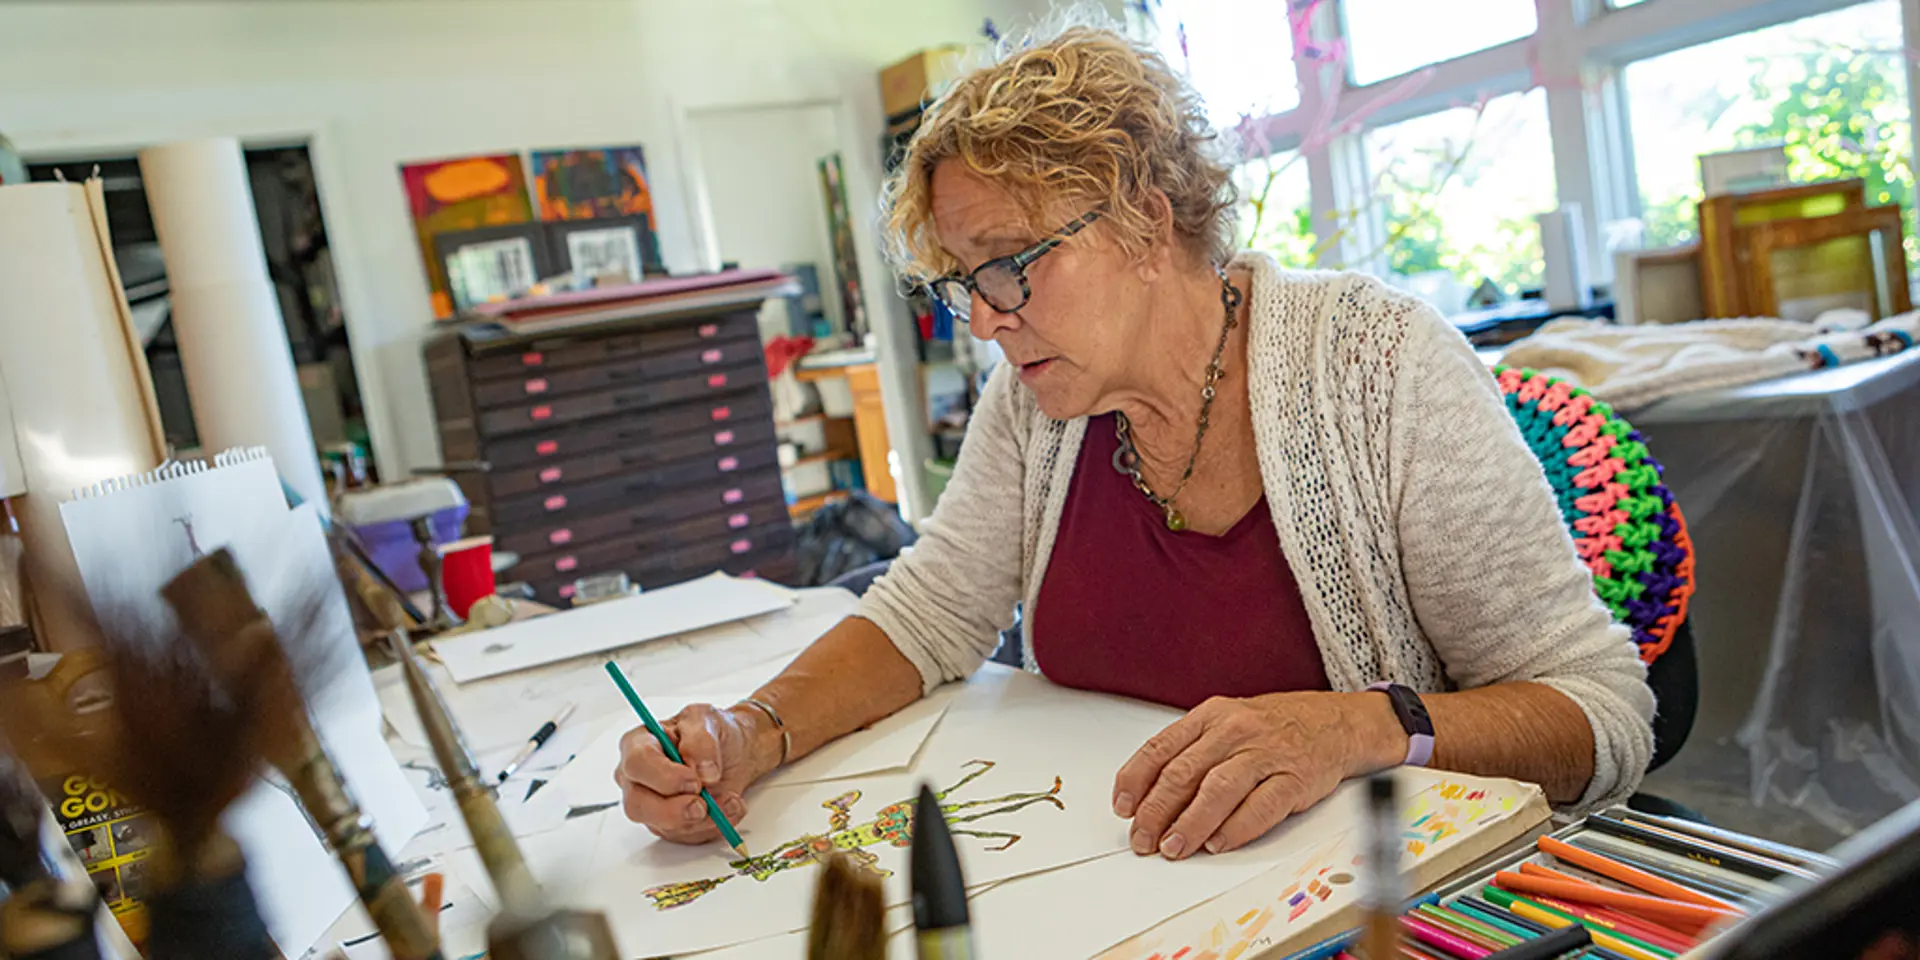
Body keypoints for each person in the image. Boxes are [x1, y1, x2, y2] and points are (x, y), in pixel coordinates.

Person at [615, 20, 1654, 862]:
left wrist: (1358, 726)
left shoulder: (1377, 367)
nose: (982, 317)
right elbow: (927, 617)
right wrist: (751, 732)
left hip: (1382, 907)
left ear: (1149, 223)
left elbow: (1602, 716)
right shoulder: (1038, 403)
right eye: (961, 281)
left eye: (1008, 264)